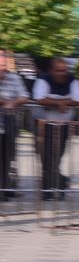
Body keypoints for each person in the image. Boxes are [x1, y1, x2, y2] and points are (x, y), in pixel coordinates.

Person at [32, 58, 79, 200]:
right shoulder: (43, 79)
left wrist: (55, 102)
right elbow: (39, 99)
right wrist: (62, 103)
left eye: (64, 70)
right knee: (45, 159)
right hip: (43, 125)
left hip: (63, 125)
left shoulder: (74, 80)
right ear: (51, 70)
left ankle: (53, 188)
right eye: (58, 70)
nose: (62, 73)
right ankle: (54, 187)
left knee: (56, 157)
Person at [0, 65, 29, 200]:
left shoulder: (14, 78)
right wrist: (5, 102)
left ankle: (5, 189)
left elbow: (24, 96)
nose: (2, 70)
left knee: (7, 158)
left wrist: (12, 102)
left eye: (4, 66)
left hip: (10, 125)